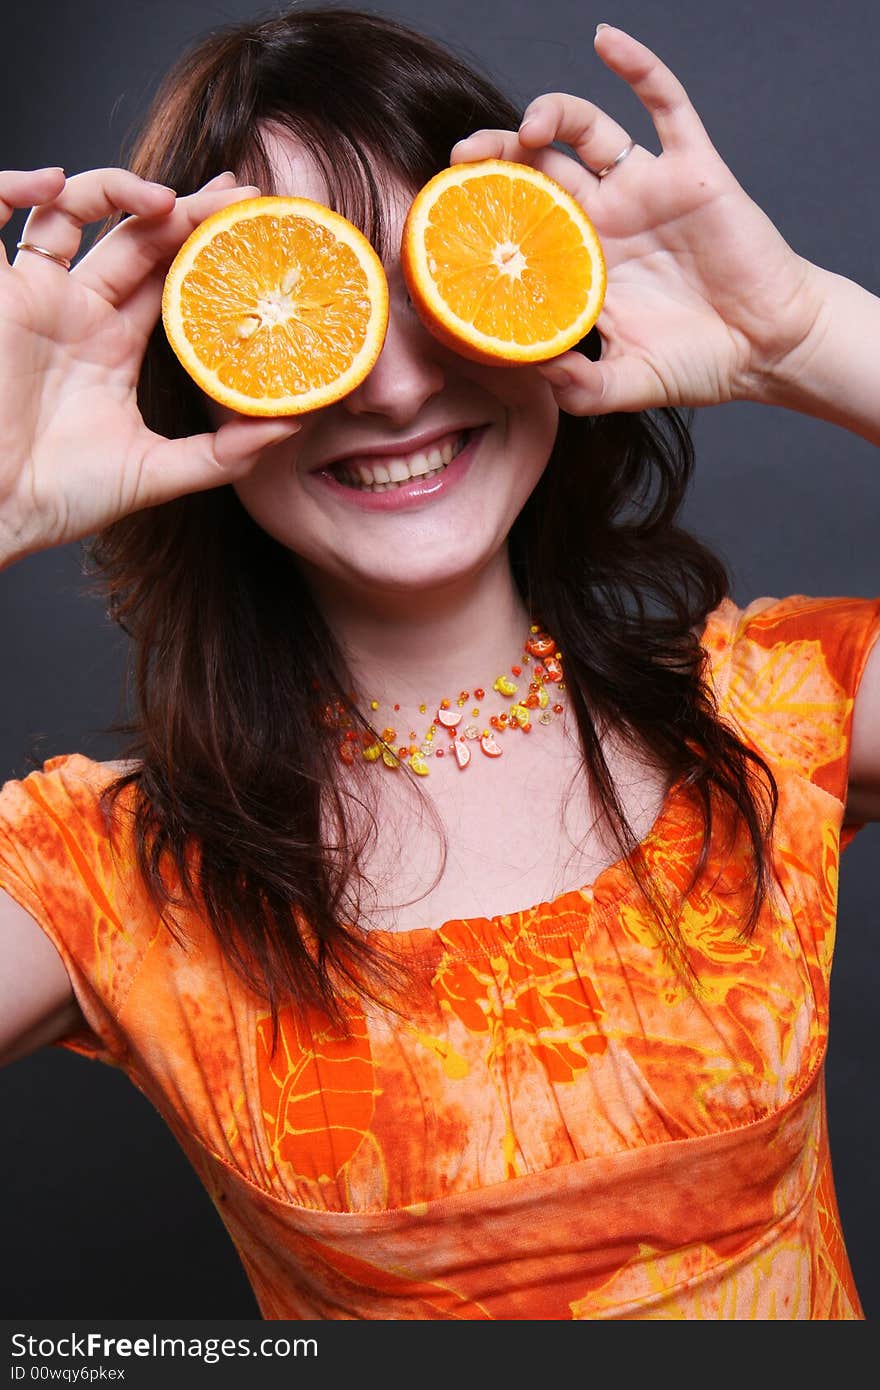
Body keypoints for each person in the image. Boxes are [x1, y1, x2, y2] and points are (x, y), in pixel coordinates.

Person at [1, 4, 878, 1321]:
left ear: (541, 296)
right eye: (310, 306)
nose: (395, 387)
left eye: (438, 282)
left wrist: (803, 330)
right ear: (192, 374)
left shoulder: (774, 711)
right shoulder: (105, 871)